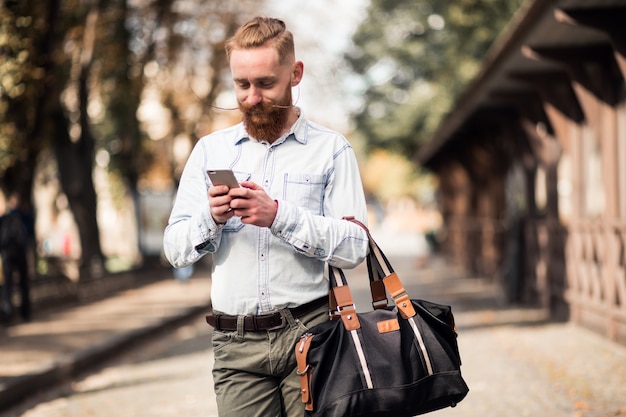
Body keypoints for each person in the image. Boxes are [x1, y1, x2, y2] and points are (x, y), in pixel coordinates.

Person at [163, 16, 369, 417]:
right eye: (242, 85)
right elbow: (174, 249)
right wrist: (211, 218)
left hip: (311, 335)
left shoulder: (332, 150)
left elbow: (355, 247)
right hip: (235, 346)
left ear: (295, 74)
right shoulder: (210, 151)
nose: (253, 97)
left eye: (265, 84)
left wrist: (278, 216)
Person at [0, 193, 31, 323]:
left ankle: (8, 313)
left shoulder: (4, 218)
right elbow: (29, 232)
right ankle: (25, 313)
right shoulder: (24, 216)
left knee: (7, 285)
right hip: (20, 253)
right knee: (23, 283)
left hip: (7, 254)